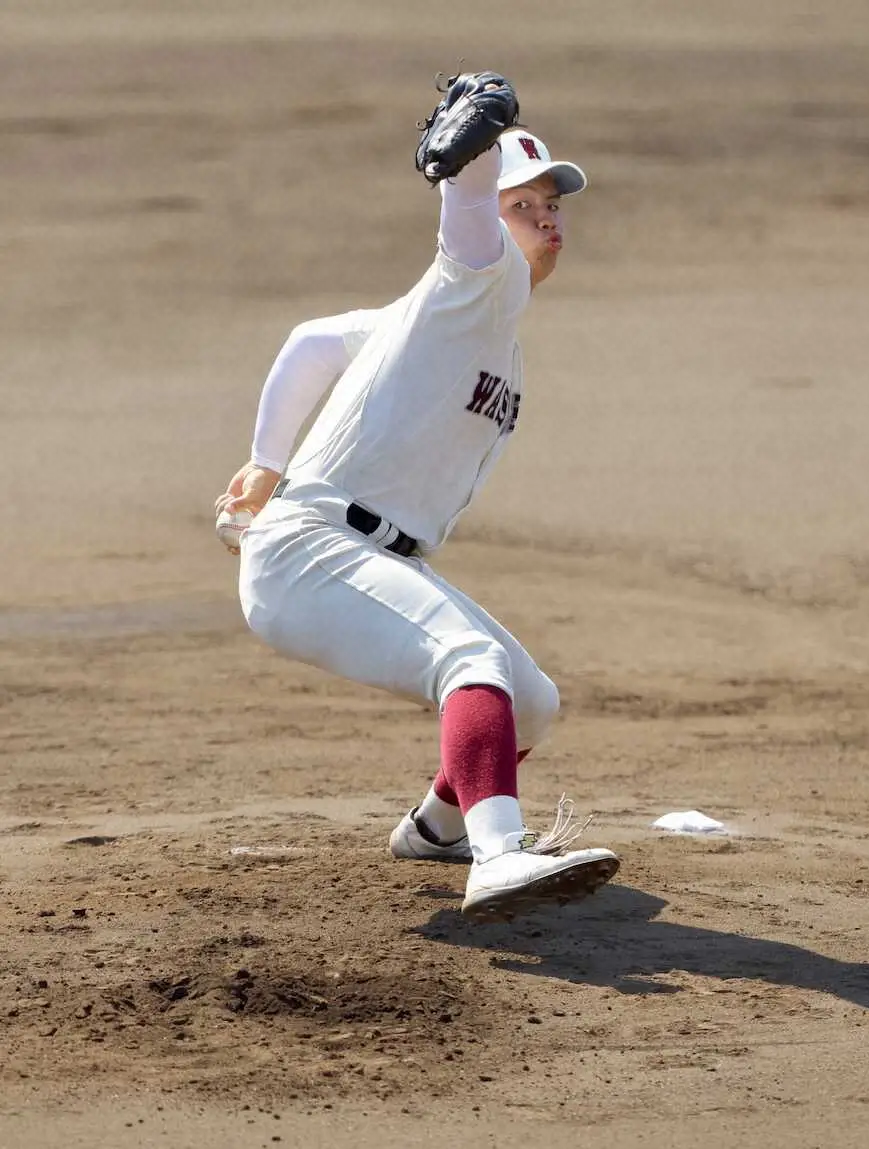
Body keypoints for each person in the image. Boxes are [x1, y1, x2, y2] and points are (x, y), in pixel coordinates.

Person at [214, 73, 619, 923]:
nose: (547, 218)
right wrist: (467, 170)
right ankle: (499, 856)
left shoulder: (453, 316)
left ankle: (438, 830)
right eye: (523, 204)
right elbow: (466, 208)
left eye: (552, 204)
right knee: (469, 658)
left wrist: (262, 463)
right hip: (309, 550)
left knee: (532, 701)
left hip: (361, 551)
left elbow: (314, 342)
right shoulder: (475, 272)